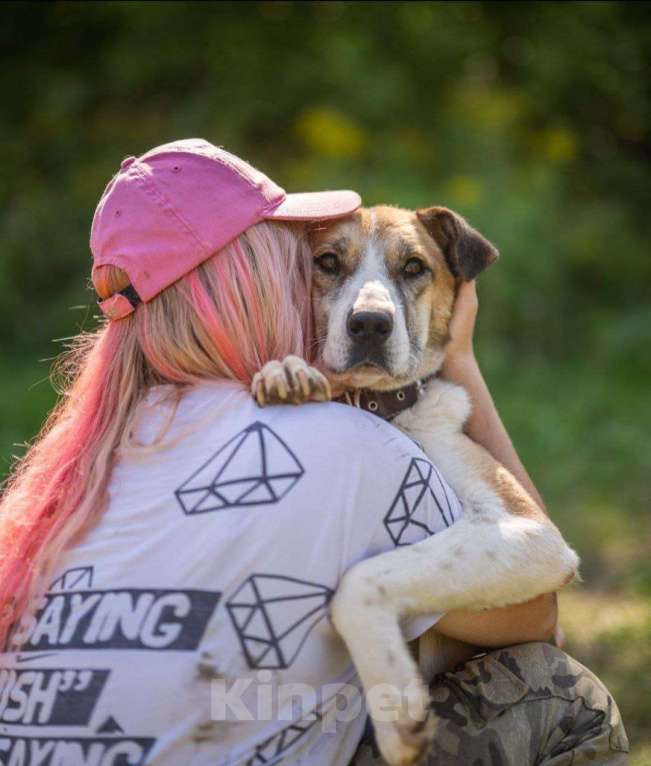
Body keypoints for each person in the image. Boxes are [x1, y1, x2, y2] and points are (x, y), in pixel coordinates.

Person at [0, 139, 627, 766]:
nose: (367, 307)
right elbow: (539, 609)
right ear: (253, 279)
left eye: (408, 272)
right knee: (559, 690)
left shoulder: (79, 468)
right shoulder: (351, 446)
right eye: (323, 263)